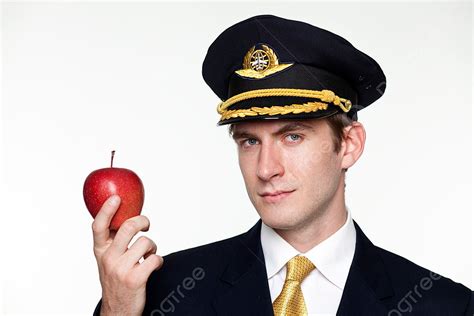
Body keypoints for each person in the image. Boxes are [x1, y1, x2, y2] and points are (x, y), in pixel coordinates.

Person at [91, 15, 473, 315]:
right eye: (249, 141)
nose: (266, 169)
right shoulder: (162, 292)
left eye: (293, 136)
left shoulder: (445, 307)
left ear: (350, 145)